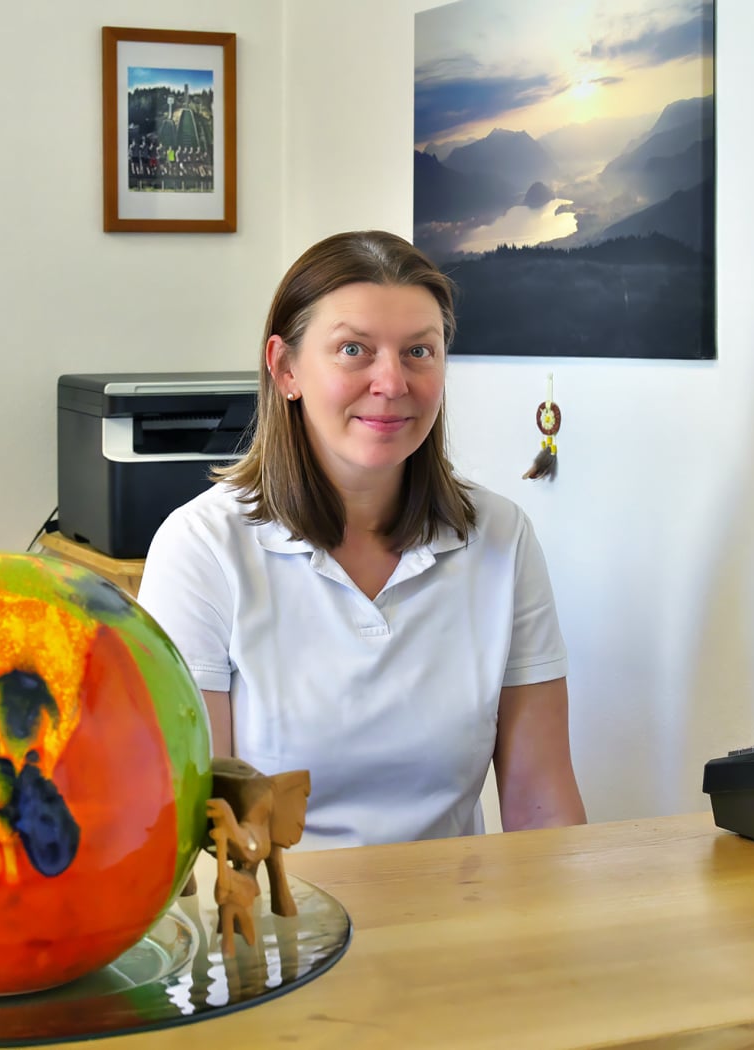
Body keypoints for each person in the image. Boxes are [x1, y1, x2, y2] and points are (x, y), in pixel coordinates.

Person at [135, 230, 587, 849]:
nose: (392, 382)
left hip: (455, 906)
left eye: (419, 351)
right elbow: (194, 831)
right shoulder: (203, 547)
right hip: (280, 908)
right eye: (354, 350)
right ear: (286, 368)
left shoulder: (500, 536)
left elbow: (543, 807)